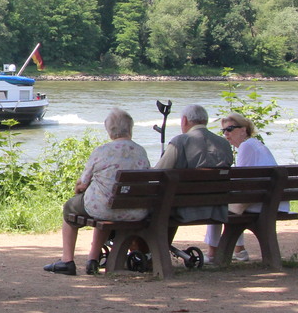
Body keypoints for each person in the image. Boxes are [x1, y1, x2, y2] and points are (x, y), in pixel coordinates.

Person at [43, 108, 151, 276]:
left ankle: (67, 261)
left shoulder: (102, 151)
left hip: (104, 208)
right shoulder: (141, 151)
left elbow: (82, 184)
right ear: (130, 129)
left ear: (110, 131)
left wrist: (78, 190)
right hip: (135, 211)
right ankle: (92, 259)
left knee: (70, 207)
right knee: (107, 201)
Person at [202, 112, 287, 263]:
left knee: (216, 205)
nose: (226, 134)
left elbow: (240, 182)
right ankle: (239, 251)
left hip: (261, 203)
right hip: (272, 201)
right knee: (232, 205)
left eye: (230, 129)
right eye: (224, 131)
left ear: (243, 129)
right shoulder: (256, 145)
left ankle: (212, 252)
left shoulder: (246, 147)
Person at [156, 103, 233, 240]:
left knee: (159, 205)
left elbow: (159, 173)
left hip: (184, 209)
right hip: (217, 209)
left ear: (184, 120)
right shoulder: (224, 143)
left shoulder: (180, 141)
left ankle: (151, 251)